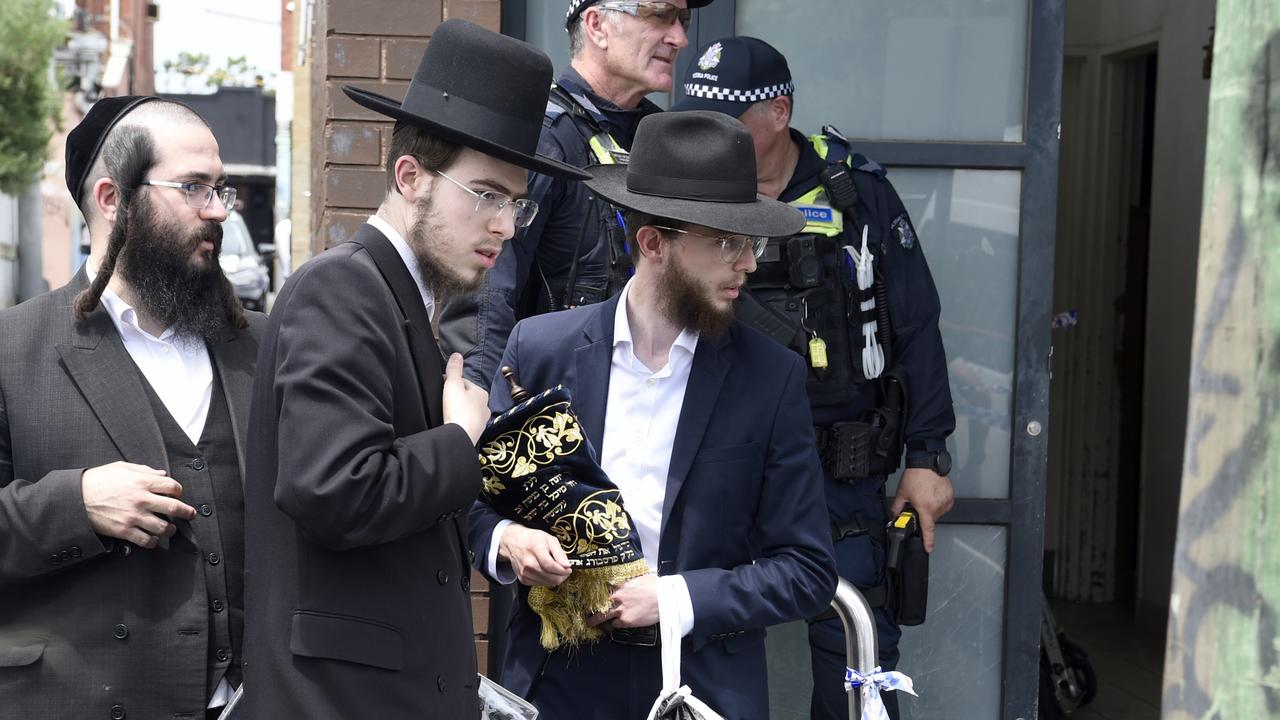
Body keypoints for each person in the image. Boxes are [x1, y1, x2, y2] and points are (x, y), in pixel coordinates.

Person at [240, 20, 589, 719]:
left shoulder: (400, 300)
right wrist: (459, 442)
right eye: (487, 194)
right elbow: (333, 489)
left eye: (518, 203)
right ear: (410, 177)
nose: (507, 225)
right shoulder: (342, 290)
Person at [470, 110, 837, 720]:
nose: (748, 263)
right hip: (555, 682)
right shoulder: (539, 349)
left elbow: (807, 570)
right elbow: (474, 507)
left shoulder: (770, 377)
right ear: (652, 243)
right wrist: (510, 542)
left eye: (753, 242)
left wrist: (675, 598)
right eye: (727, 241)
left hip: (702, 684)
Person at [672, 36, 957, 719]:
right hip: (722, 466)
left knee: (858, 661)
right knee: (703, 656)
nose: (714, 136)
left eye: (729, 119)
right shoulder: (691, 189)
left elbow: (915, 327)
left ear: (778, 111)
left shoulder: (856, 192)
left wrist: (928, 455)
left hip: (840, 477)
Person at [0, 96, 260, 720]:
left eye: (221, 189)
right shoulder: (12, 349)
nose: (218, 210)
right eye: (194, 187)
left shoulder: (263, 346)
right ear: (114, 199)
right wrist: (75, 504)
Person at [439, 0, 712, 388]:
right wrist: (489, 413)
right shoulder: (545, 138)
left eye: (683, 20)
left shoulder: (660, 140)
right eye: (659, 15)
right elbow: (484, 297)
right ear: (597, 25)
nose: (680, 38)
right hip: (556, 419)